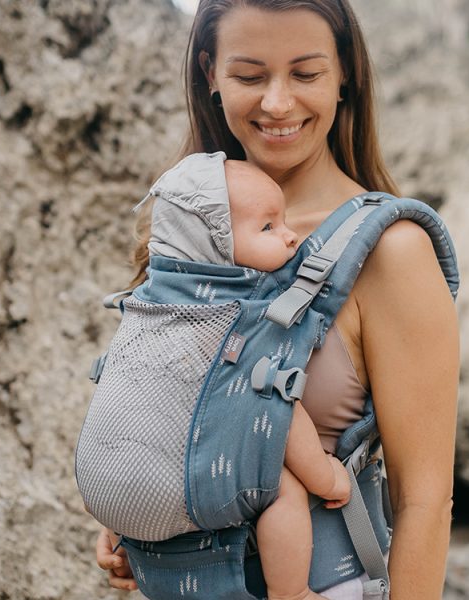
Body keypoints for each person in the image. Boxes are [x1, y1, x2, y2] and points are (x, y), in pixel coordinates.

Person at [95, 1, 459, 598]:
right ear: (209, 74)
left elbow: (424, 499)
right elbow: (161, 399)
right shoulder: (188, 236)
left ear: (346, 75)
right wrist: (134, 516)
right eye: (249, 75)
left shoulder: (391, 252)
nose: (278, 103)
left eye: (306, 73)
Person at [139, 150, 352, 600]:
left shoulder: (153, 307)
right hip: (199, 491)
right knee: (282, 488)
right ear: (215, 244)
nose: (291, 236)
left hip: (133, 486)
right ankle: (291, 592)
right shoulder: (244, 319)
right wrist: (325, 478)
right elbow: (275, 410)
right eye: (269, 227)